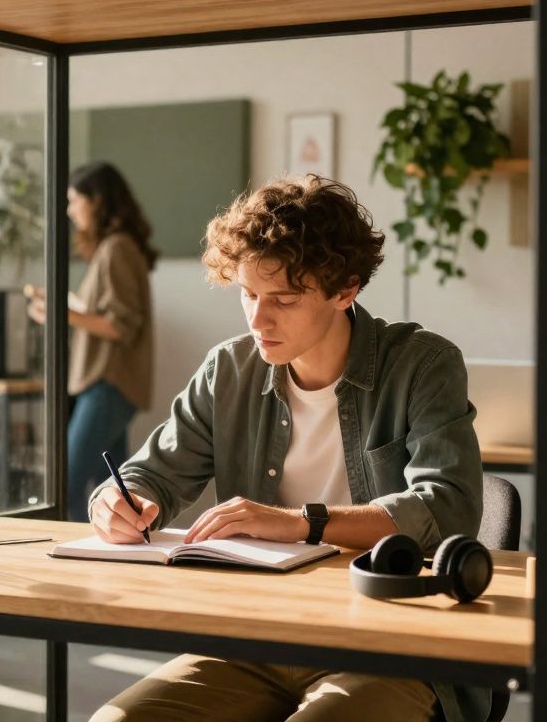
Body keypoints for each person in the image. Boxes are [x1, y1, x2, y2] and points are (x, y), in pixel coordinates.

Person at [87, 176, 486, 722]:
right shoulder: (228, 370)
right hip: (258, 637)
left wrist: (301, 523)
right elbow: (149, 475)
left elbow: (447, 507)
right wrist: (118, 502)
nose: (258, 319)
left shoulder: (422, 365)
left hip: (390, 645)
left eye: (284, 300)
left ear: (346, 290)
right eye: (248, 295)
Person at [27, 162, 156, 522]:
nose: (69, 210)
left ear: (96, 201)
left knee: (65, 485)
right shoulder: (115, 248)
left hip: (107, 384)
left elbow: (120, 326)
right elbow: (104, 313)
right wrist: (62, 305)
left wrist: (62, 313)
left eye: (74, 200)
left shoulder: (117, 249)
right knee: (112, 493)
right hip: (107, 384)